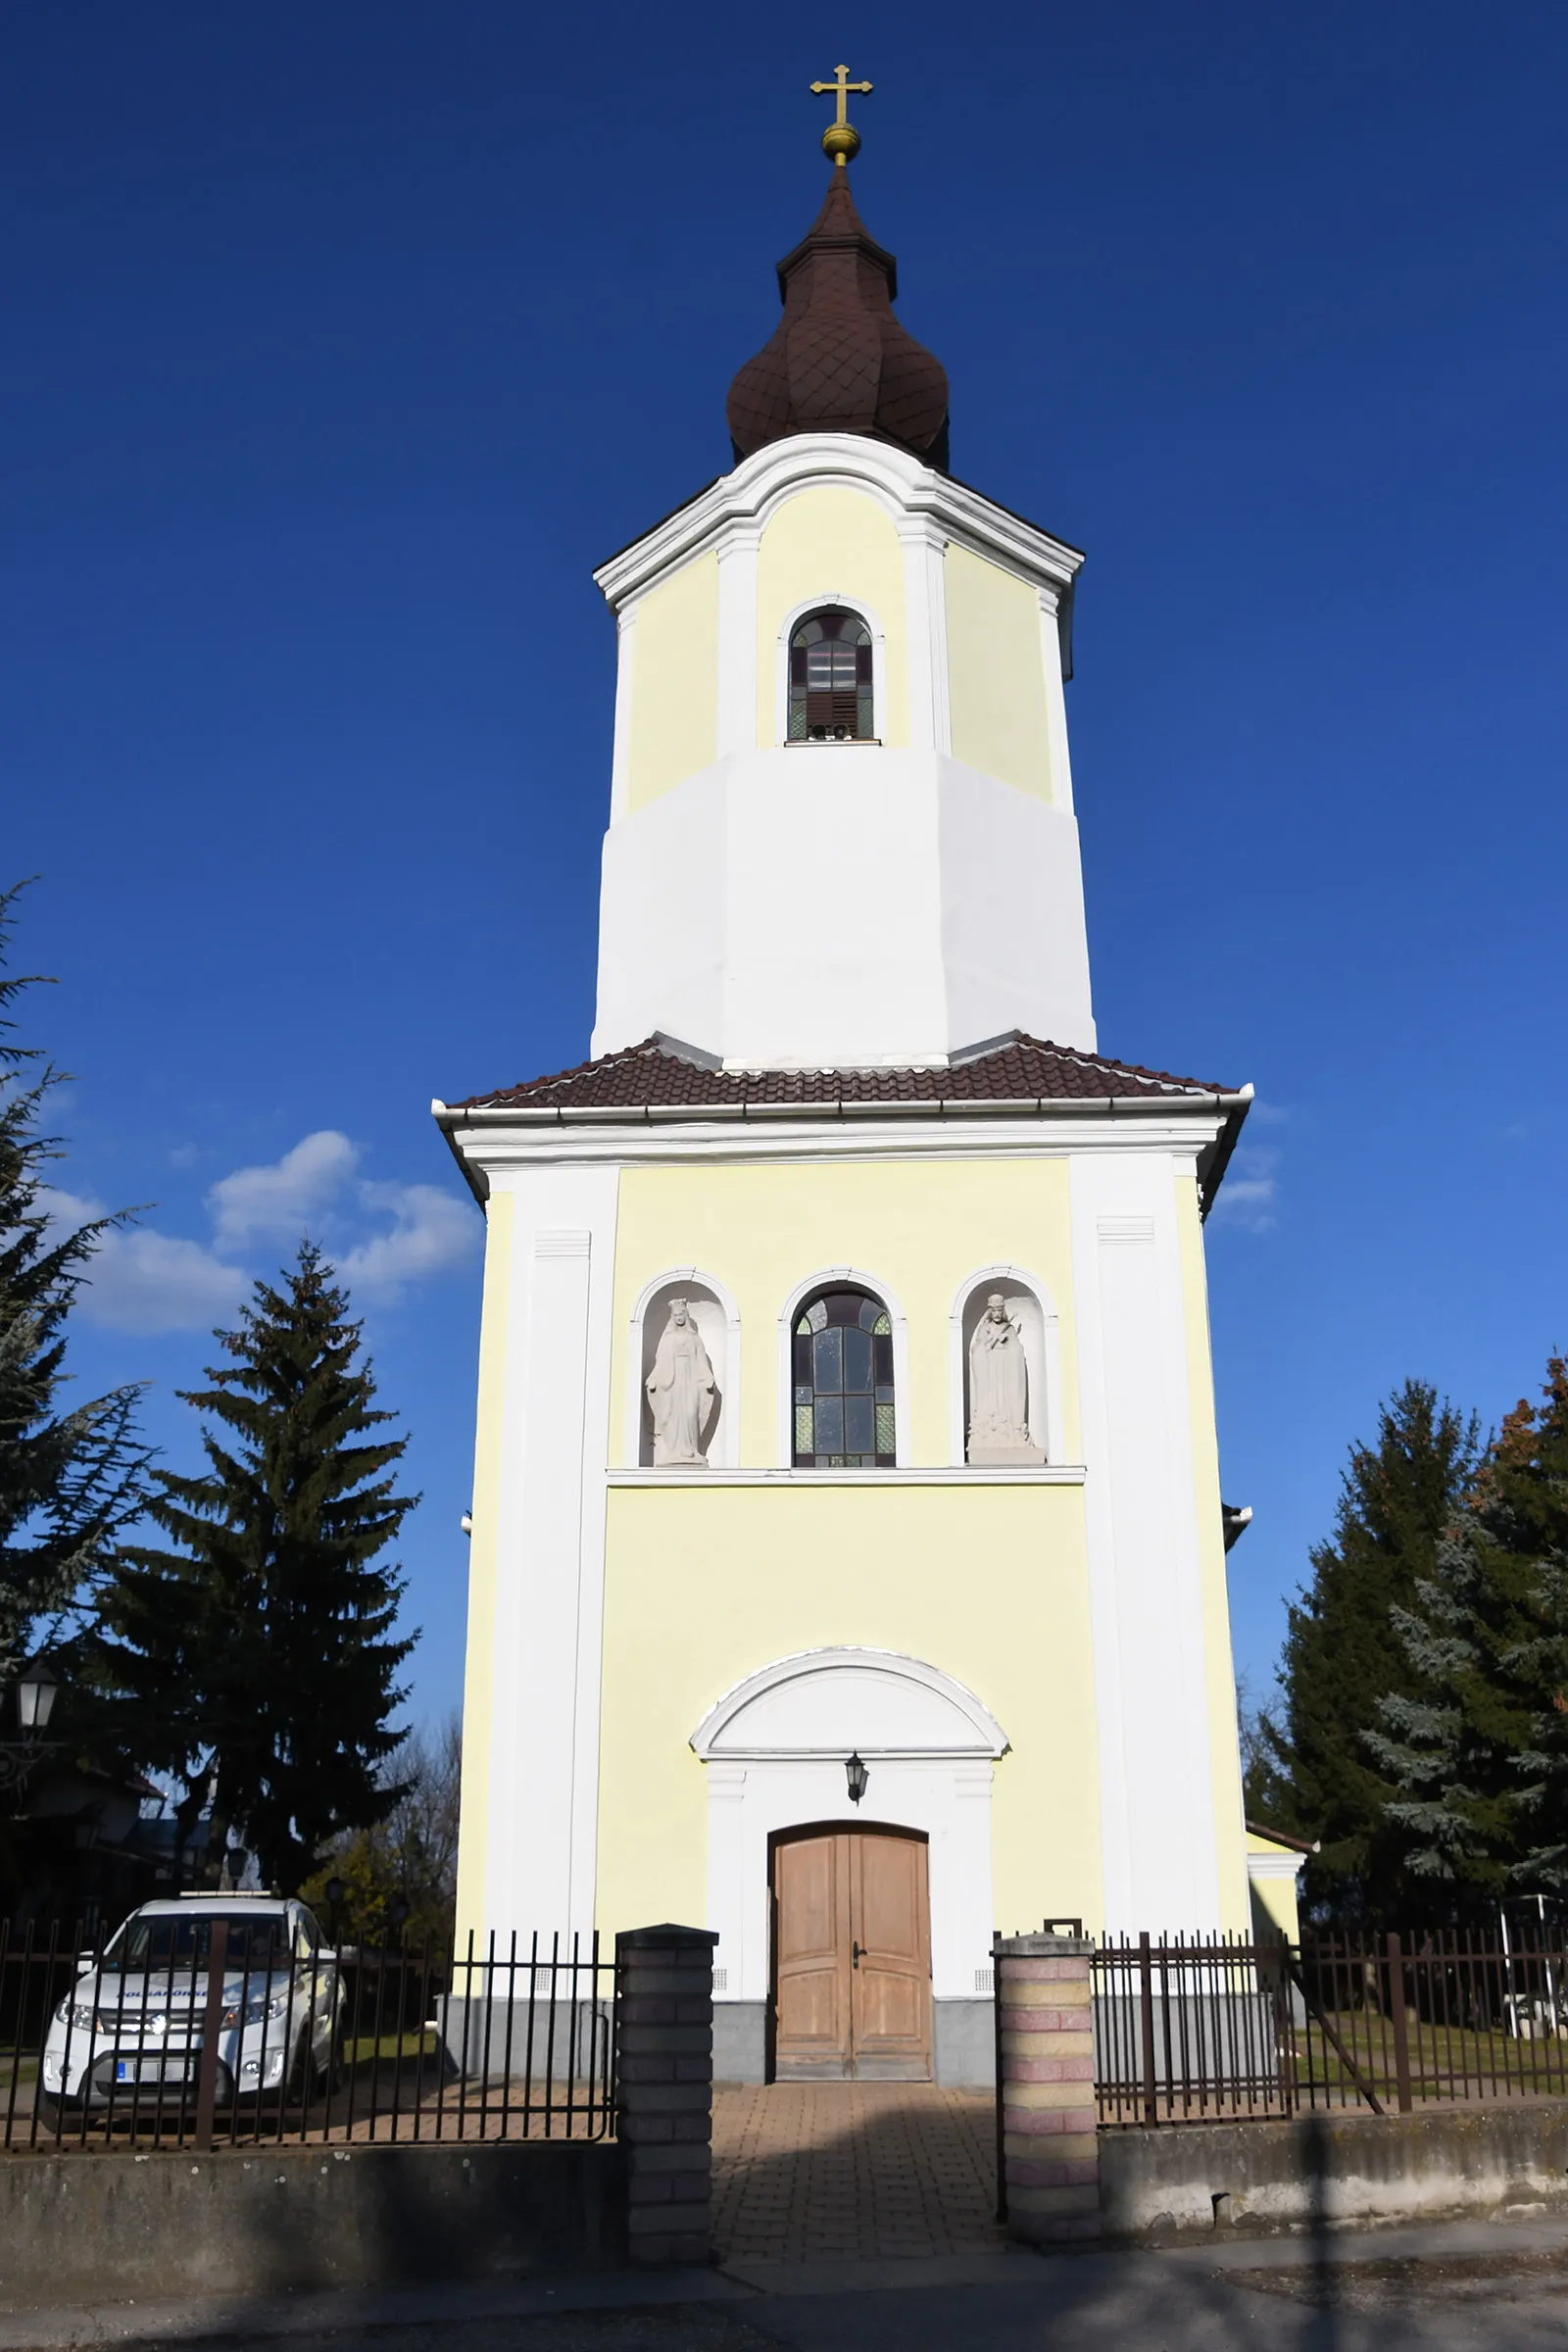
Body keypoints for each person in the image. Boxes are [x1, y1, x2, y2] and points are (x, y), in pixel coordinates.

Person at [646, 1298, 716, 1465]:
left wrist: (707, 1377)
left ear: (686, 1315)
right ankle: (675, 1450)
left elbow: (701, 1361)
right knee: (674, 1414)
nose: (678, 1318)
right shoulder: (668, 1339)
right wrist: (654, 1378)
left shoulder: (695, 1339)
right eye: (676, 1315)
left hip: (691, 1380)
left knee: (691, 1412)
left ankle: (692, 1450)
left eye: (681, 1314)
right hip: (674, 1382)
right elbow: (661, 1363)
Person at [968, 1292, 1032, 1456]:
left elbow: (1017, 1349)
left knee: (1005, 1398)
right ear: (990, 1311)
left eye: (999, 1310)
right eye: (993, 1311)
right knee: (992, 1398)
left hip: (1005, 1368)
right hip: (990, 1369)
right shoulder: (984, 1328)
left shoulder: (1009, 1328)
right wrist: (990, 1342)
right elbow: (978, 1349)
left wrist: (1007, 1341)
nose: (996, 1314)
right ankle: (988, 1427)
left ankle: (1013, 1428)